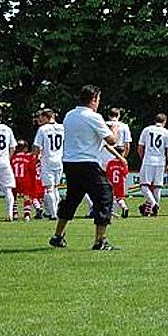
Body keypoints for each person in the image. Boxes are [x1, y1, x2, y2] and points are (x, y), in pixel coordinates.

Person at [49, 85, 121, 250]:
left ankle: (58, 235)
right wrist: (115, 129)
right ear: (94, 99)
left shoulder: (69, 115)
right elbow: (112, 140)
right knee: (104, 197)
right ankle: (100, 241)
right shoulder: (94, 117)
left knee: (72, 199)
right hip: (88, 162)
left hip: (70, 162)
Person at [138, 113, 168, 217]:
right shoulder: (166, 132)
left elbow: (140, 147)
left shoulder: (147, 130)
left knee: (144, 185)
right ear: (164, 122)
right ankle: (154, 208)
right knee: (157, 186)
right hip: (160, 161)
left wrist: (143, 158)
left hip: (148, 159)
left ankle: (154, 204)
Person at [32, 109, 64, 220]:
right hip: (59, 160)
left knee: (49, 188)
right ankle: (55, 211)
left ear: (46, 117)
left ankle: (53, 214)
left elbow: (37, 147)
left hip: (47, 160)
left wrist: (35, 157)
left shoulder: (43, 129)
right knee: (56, 188)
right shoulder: (62, 127)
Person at [10, 141, 36, 221]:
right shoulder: (28, 158)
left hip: (15, 179)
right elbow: (32, 169)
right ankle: (27, 214)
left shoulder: (12, 158)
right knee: (26, 197)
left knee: (14, 196)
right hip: (26, 180)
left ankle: (15, 213)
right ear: (25, 148)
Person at [106, 149, 130, 218]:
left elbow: (107, 173)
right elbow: (126, 174)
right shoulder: (123, 163)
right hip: (120, 183)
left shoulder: (110, 162)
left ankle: (112, 212)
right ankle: (124, 207)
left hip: (112, 183)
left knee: (112, 197)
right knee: (120, 198)